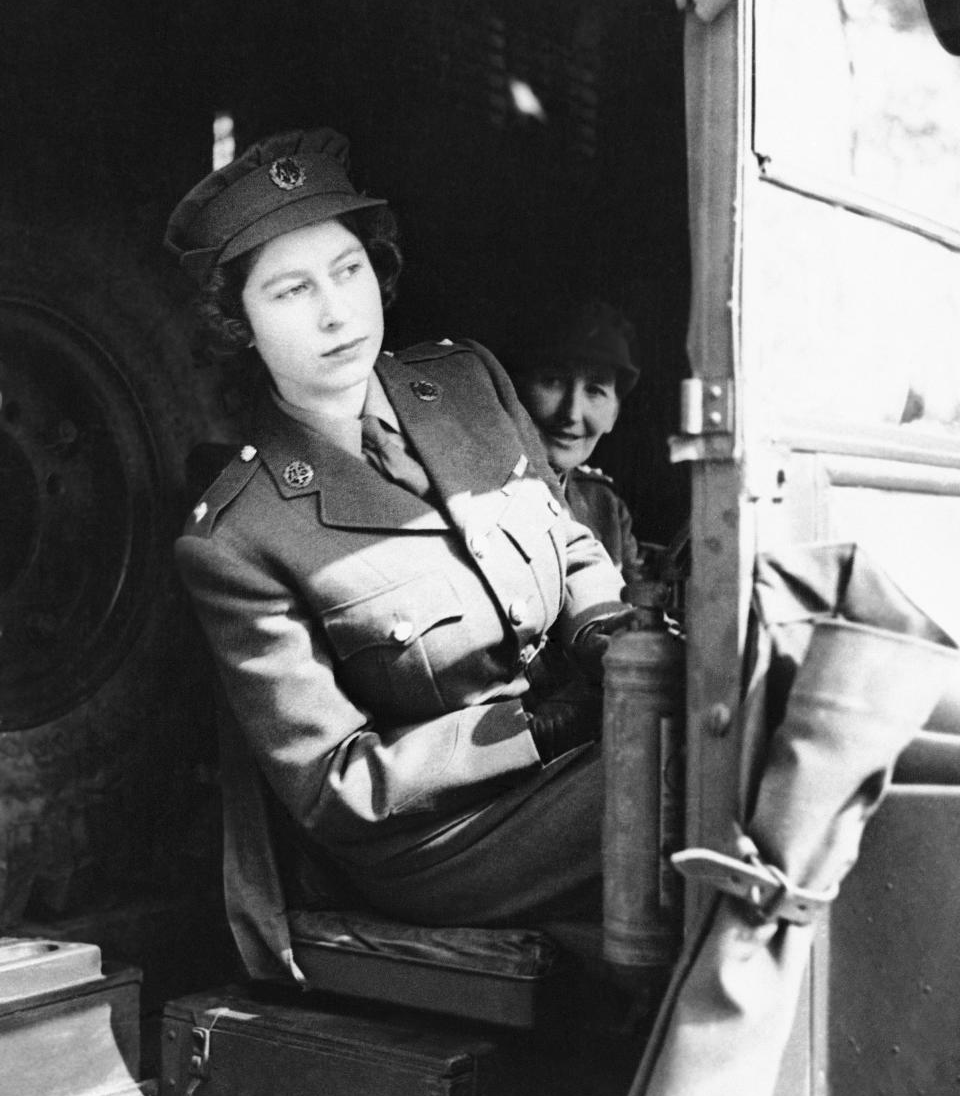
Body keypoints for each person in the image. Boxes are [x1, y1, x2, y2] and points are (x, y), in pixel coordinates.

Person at [164, 127, 634, 978]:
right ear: (238, 324)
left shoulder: (467, 382)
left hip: (579, 757)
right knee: (699, 774)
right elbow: (333, 786)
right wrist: (535, 726)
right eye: (290, 291)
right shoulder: (235, 536)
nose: (336, 312)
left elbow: (565, 539)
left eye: (348, 272)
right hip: (445, 844)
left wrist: (603, 629)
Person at [509, 298, 648, 589]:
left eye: (595, 390)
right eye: (553, 381)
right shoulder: (479, 495)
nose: (571, 414)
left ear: (614, 415)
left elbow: (634, 612)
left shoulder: (605, 508)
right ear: (516, 390)